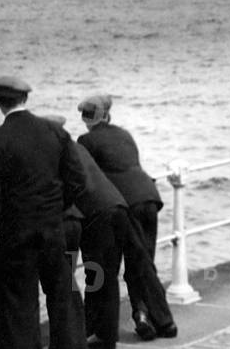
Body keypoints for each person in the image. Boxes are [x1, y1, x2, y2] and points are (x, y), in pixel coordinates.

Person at [48, 115, 176, 344]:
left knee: (98, 274)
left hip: (96, 216)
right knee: (139, 263)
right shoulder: (78, 148)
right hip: (118, 205)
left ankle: (101, 333)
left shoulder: (57, 153)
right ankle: (164, 321)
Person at [0, 76, 87, 349]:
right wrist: (55, 208)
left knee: (21, 304)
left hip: (17, 233)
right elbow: (78, 180)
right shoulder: (54, 131)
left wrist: (8, 221)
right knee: (61, 296)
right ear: (25, 98)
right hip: (53, 227)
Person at [75, 95, 169, 332]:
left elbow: (87, 178)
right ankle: (150, 317)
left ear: (87, 119)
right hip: (149, 197)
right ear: (107, 115)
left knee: (110, 265)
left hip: (125, 204)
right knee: (143, 262)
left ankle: (110, 324)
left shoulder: (86, 140)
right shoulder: (125, 135)